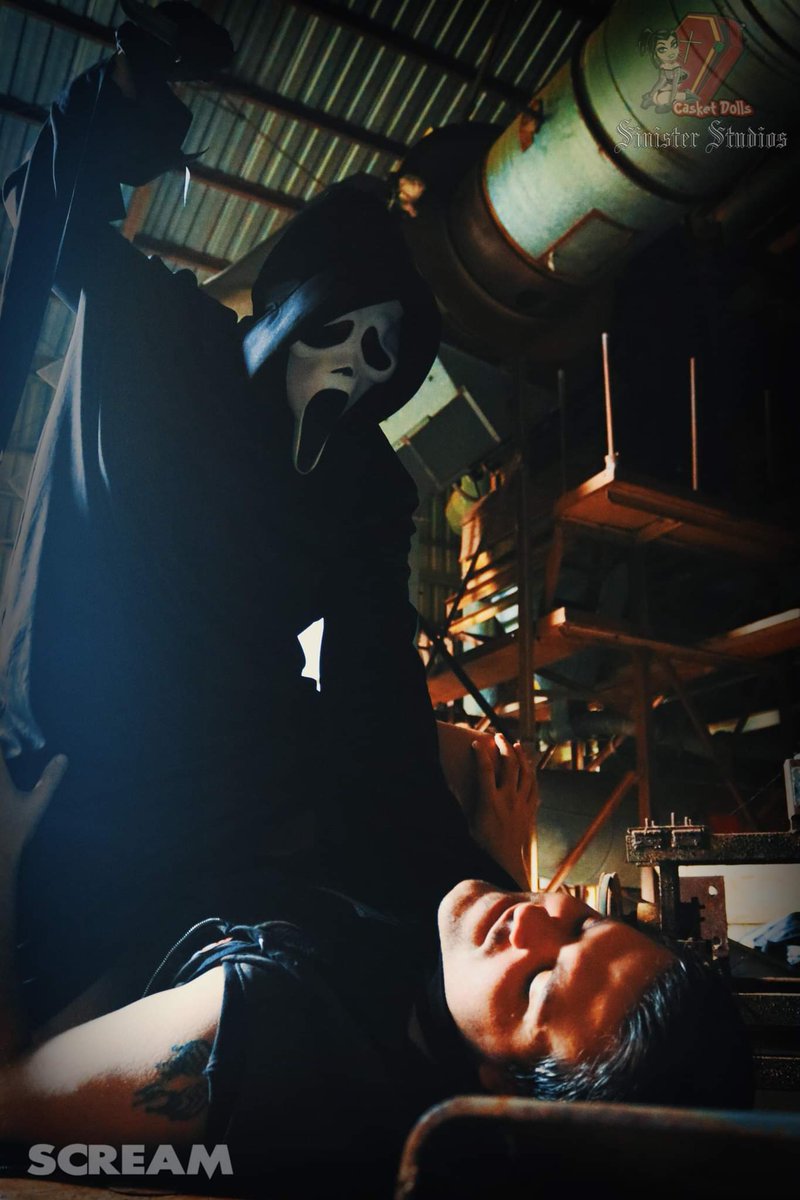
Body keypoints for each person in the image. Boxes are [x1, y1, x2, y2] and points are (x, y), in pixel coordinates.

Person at [0, 5, 450, 1027]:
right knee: (63, 984)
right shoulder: (165, 337)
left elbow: (377, 674)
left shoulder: (361, 485)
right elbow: (55, 219)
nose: (353, 365)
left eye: (382, 351)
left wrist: (442, 862)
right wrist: (122, 104)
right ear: (294, 308)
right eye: (340, 328)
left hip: (225, 778)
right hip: (79, 736)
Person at [0, 731, 753, 1198]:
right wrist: (499, 859)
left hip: (51, 916)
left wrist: (5, 854)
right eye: (582, 924)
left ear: (497, 1089)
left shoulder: (254, 1030)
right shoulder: (450, 1011)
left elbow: (11, 1093)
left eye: (536, 986)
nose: (536, 917)